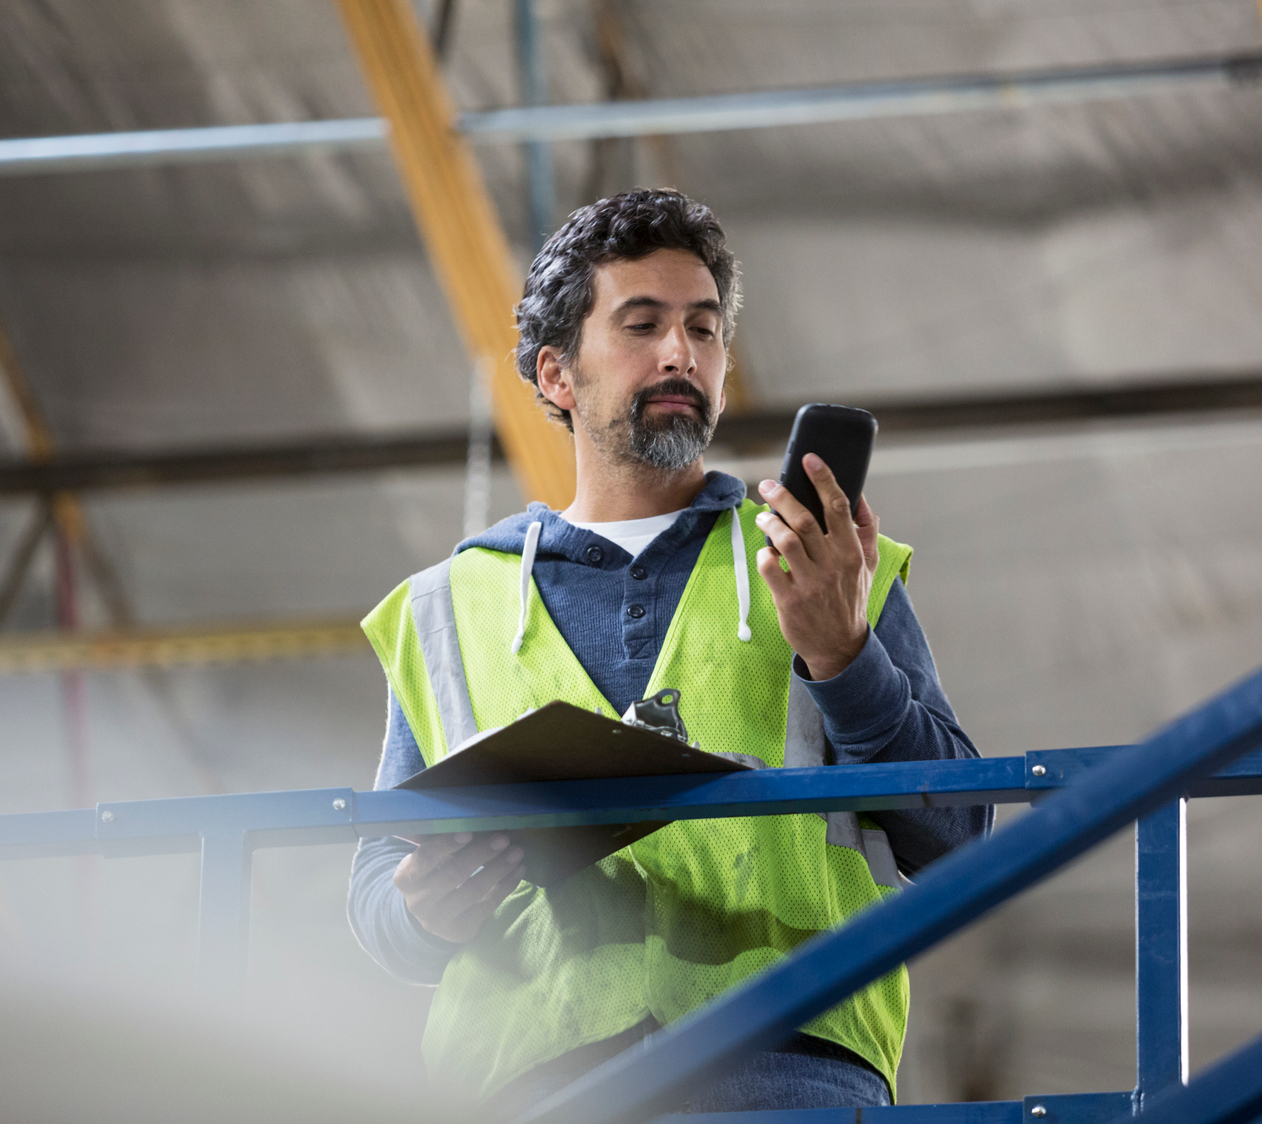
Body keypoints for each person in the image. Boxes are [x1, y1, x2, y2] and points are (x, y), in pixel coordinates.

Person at [349, 189, 992, 1116]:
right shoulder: (447, 609)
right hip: (531, 1085)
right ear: (557, 375)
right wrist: (420, 909)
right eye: (641, 324)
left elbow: (960, 835)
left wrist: (846, 655)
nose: (680, 353)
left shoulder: (823, 563)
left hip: (787, 1072)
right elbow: (376, 891)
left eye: (703, 328)